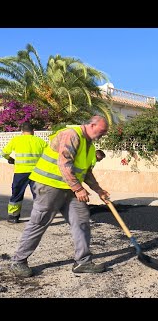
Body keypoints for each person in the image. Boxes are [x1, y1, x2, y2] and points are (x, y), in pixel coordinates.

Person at [9, 116, 111, 278]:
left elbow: (85, 172)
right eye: (102, 131)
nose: (103, 134)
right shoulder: (72, 134)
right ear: (92, 125)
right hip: (48, 185)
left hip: (68, 188)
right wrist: (78, 188)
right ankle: (18, 261)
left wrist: (99, 190)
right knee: (39, 222)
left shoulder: (89, 145)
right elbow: (64, 163)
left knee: (81, 219)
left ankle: (82, 262)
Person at [1, 122, 47, 223]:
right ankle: (39, 218)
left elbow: (3, 153)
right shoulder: (40, 141)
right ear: (33, 131)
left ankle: (13, 217)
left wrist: (10, 159)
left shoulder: (16, 140)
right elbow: (48, 156)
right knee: (38, 195)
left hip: (20, 173)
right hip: (36, 173)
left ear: (22, 131)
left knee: (17, 193)